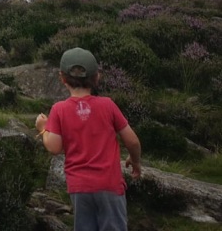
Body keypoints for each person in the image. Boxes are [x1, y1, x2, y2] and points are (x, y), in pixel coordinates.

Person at [35, 47, 142, 231]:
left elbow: (54, 147)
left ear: (62, 78)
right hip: (109, 184)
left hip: (79, 187)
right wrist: (135, 161)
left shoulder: (59, 109)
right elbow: (132, 141)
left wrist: (43, 129)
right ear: (97, 77)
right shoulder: (108, 105)